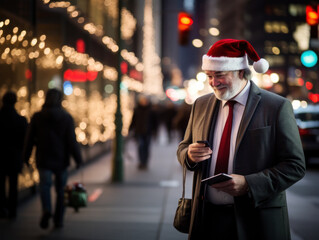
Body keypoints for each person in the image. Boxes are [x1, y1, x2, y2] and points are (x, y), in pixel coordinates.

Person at [176, 39, 306, 240]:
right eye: (209, 76)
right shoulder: (201, 104)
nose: (213, 82)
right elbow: (183, 148)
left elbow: (295, 165)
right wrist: (189, 155)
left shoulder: (276, 107)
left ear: (239, 72)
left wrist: (249, 184)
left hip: (257, 221)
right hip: (206, 219)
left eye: (219, 75)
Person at [24, 88, 83, 229]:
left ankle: (46, 210)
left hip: (43, 157)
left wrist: (25, 156)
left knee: (44, 186)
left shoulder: (37, 117)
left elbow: (29, 139)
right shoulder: (66, 117)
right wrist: (78, 159)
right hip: (61, 159)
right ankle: (58, 220)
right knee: (61, 190)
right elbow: (71, 141)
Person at [0, 91, 28, 219]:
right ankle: (12, 211)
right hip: (14, 157)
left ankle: (2, 208)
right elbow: (25, 141)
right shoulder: (21, 120)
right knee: (13, 184)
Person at [129, 94, 155, 170]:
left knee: (146, 147)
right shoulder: (136, 109)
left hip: (148, 132)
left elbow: (154, 122)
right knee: (140, 146)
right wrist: (130, 129)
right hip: (139, 131)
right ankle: (141, 162)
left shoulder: (151, 110)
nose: (144, 102)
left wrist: (154, 131)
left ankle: (145, 162)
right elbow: (133, 120)